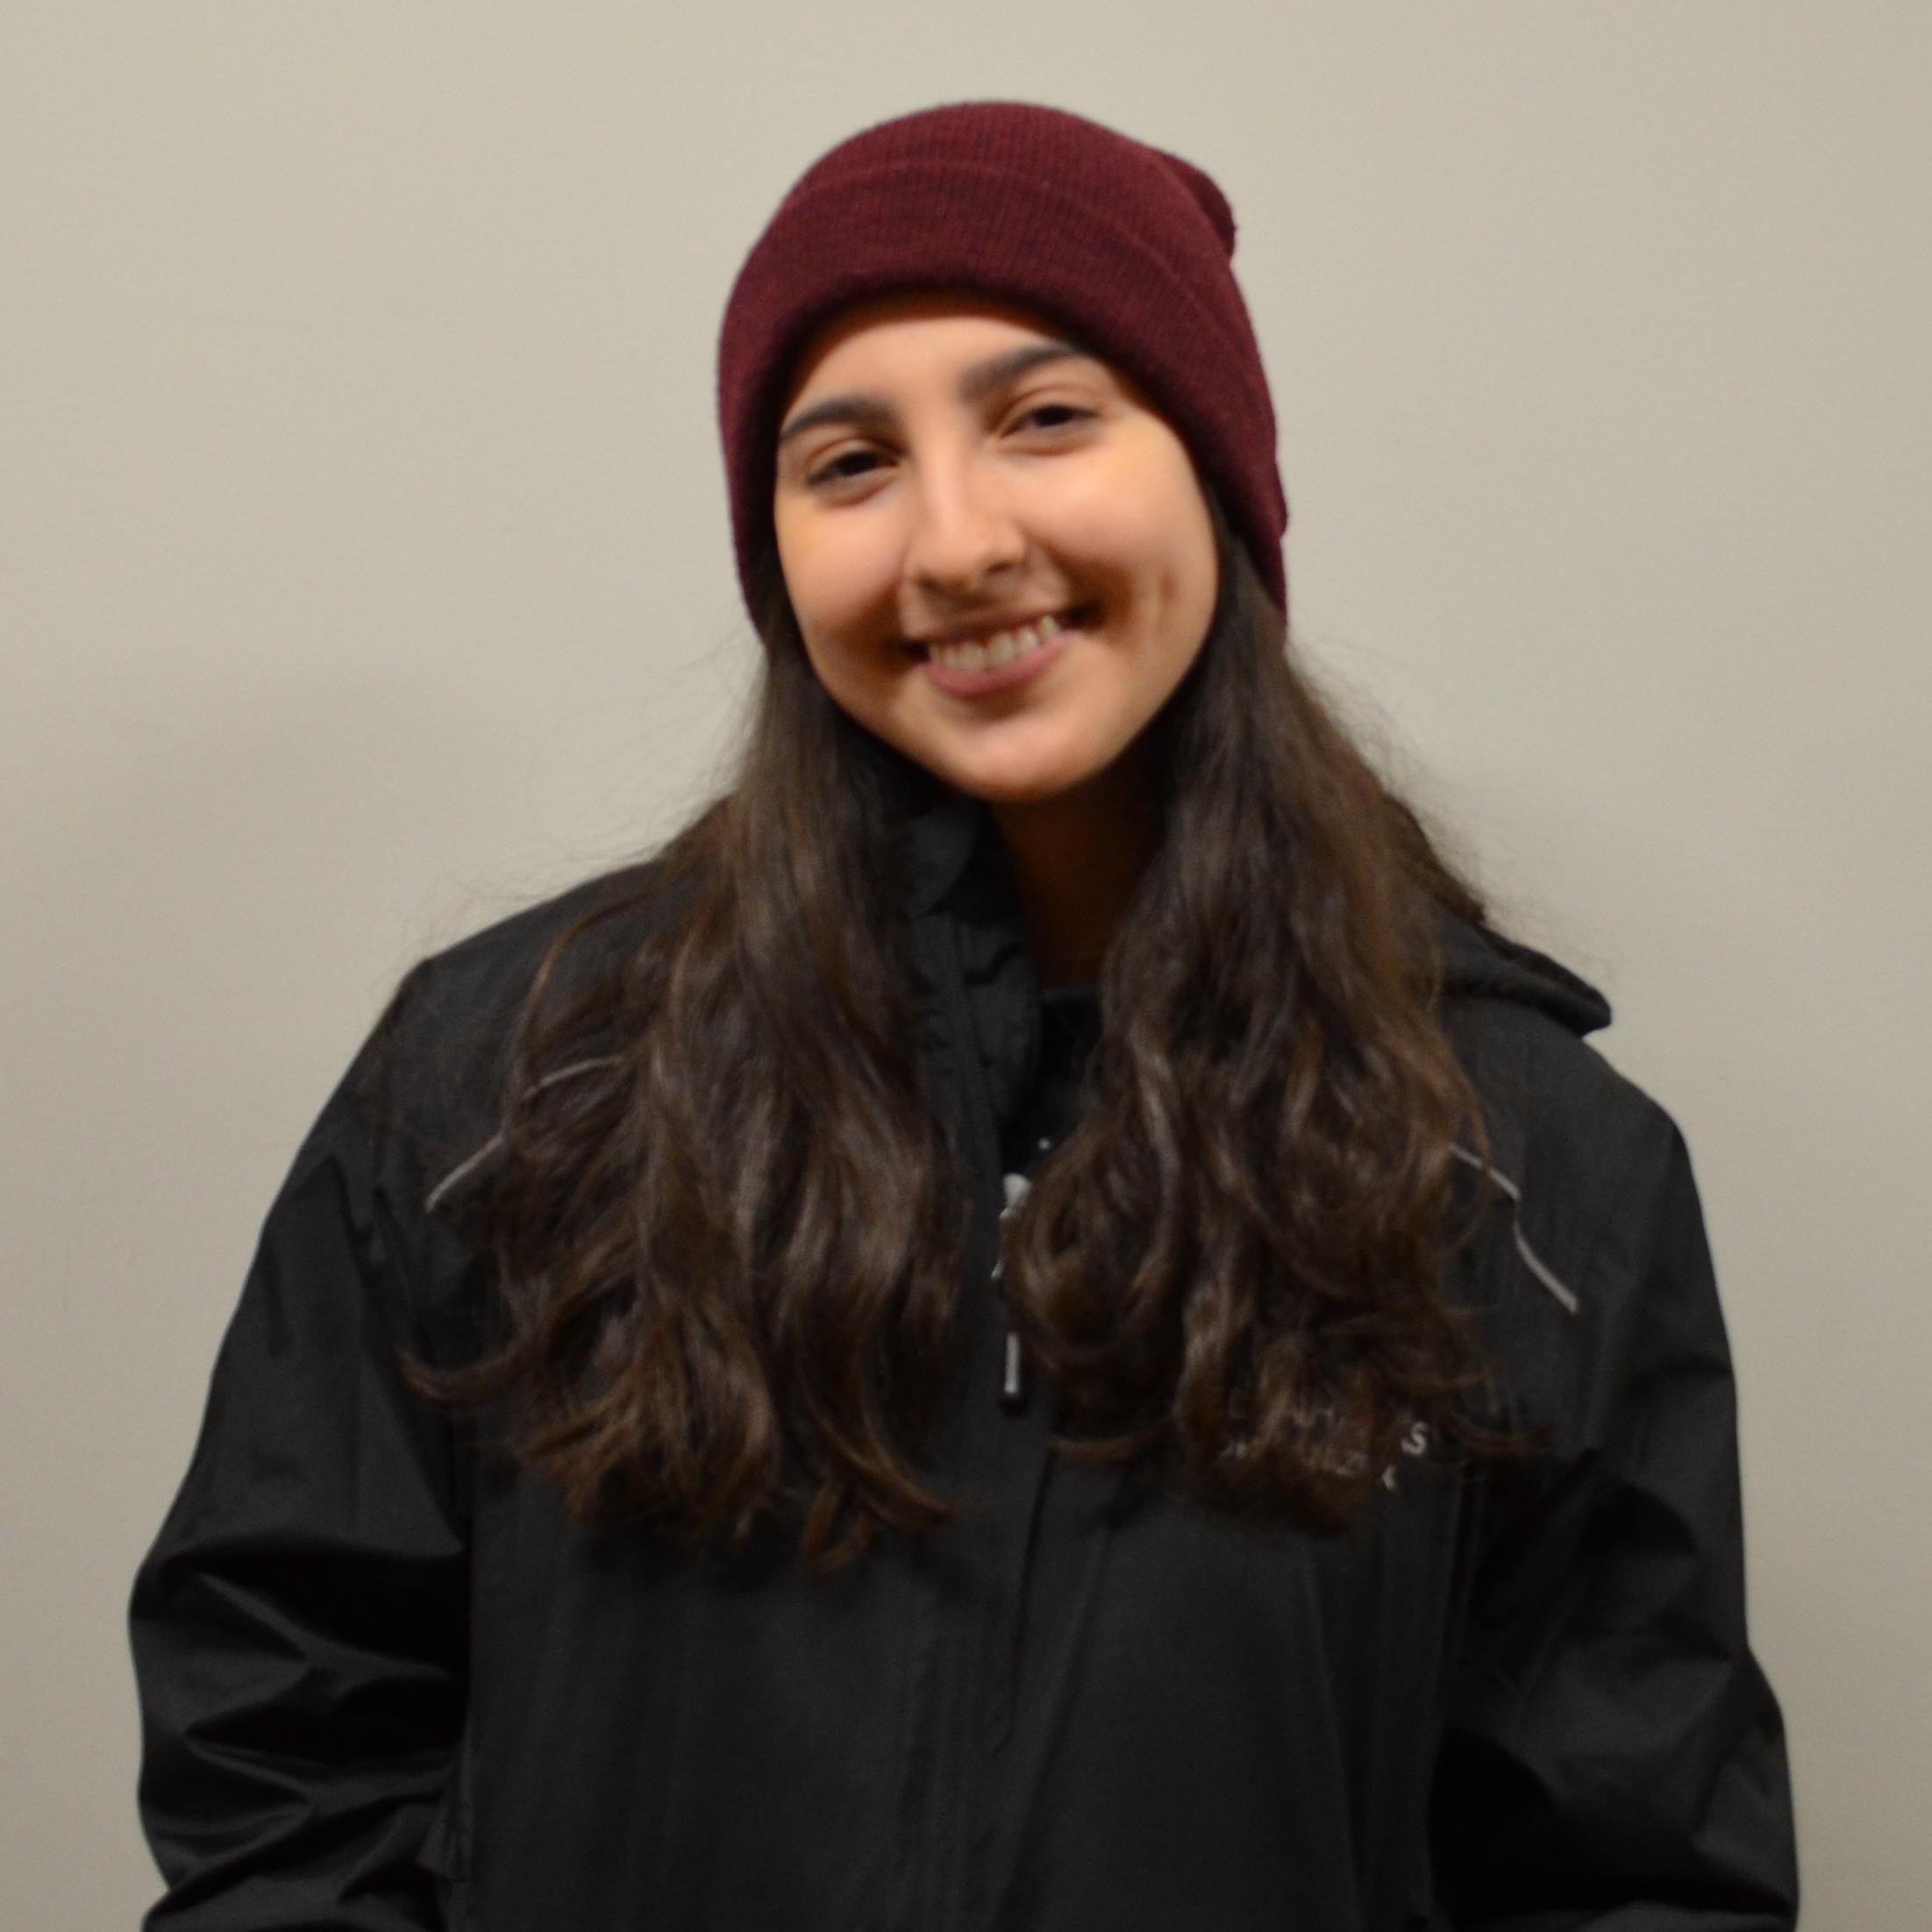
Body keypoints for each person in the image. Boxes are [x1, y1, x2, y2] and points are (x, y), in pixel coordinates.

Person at [128, 99, 1800, 1930]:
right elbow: (283, 1754)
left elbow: (1626, 1865)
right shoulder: (506, 1094)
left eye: (1046, 418)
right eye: (849, 462)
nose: (955, 539)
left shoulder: (1519, 1167)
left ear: (1217, 472)